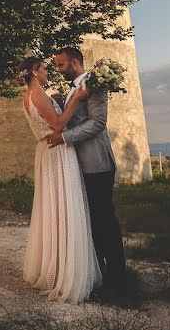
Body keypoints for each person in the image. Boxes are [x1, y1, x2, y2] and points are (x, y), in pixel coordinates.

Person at [18, 55, 102, 303]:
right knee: (65, 208)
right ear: (35, 72)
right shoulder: (39, 94)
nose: (47, 73)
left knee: (53, 211)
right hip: (58, 152)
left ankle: (54, 266)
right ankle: (66, 273)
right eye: (44, 69)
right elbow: (58, 125)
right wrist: (76, 99)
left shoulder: (28, 98)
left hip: (46, 151)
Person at [46, 47, 127, 293]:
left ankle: (117, 277)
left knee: (104, 220)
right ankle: (98, 273)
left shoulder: (95, 84)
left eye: (61, 65)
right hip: (81, 166)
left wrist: (65, 137)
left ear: (75, 62)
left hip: (97, 164)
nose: (59, 70)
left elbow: (98, 123)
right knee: (91, 221)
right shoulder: (74, 89)